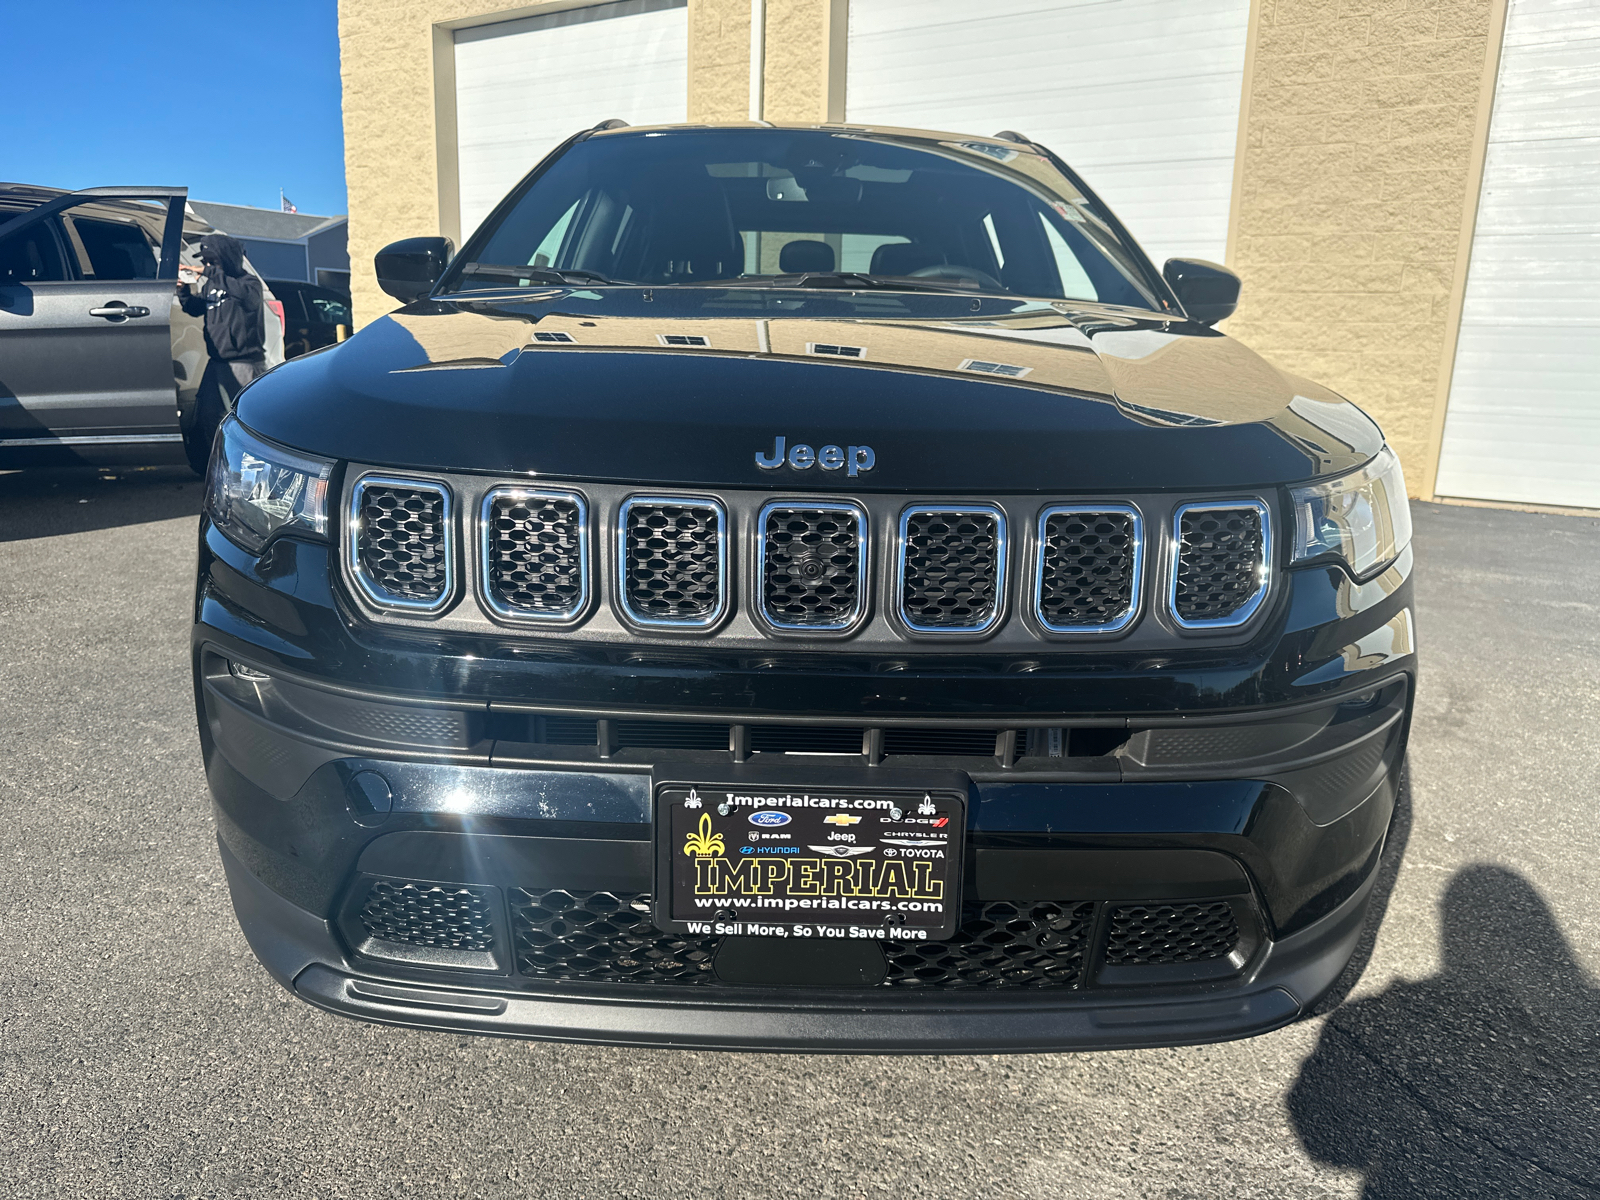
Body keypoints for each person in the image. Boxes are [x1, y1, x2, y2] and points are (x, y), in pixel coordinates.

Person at [177, 233, 265, 473]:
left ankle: (253, 471)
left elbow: (247, 298)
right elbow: (196, 309)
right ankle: (218, 470)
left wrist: (209, 274)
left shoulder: (248, 283)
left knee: (248, 420)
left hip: (244, 363)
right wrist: (184, 291)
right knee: (208, 416)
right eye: (205, 263)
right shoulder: (212, 285)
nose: (206, 267)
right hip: (216, 364)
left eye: (211, 262)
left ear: (226, 259)